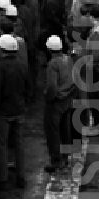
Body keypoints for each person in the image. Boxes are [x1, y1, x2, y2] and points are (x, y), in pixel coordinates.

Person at [0, 34, 29, 190]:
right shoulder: (22, 65)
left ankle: (1, 179)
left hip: (2, 113)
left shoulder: (0, 67)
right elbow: (28, 87)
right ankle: (21, 177)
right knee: (19, 144)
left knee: (0, 145)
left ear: (2, 50)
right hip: (18, 110)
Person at [42, 35, 75, 173]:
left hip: (56, 102)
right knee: (65, 129)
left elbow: (51, 87)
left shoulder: (53, 64)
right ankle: (66, 156)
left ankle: (56, 160)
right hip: (67, 99)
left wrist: (49, 98)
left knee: (53, 132)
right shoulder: (68, 59)